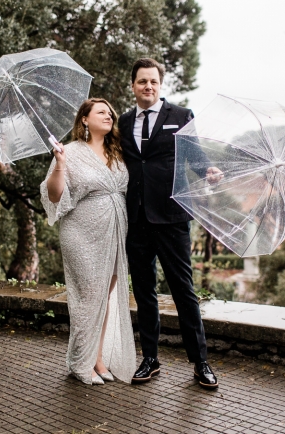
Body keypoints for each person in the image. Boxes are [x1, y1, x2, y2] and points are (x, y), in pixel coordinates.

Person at [119, 58, 222, 389]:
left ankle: (201, 362)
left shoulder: (180, 116)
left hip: (172, 218)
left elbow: (194, 157)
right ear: (133, 86)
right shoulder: (123, 122)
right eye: (141, 82)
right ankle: (150, 359)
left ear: (160, 85)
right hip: (135, 220)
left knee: (183, 291)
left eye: (153, 81)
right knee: (145, 292)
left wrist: (209, 171)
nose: (147, 86)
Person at [40, 98, 137, 385]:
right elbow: (55, 196)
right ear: (84, 119)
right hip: (81, 233)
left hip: (114, 233)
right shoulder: (68, 151)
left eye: (110, 113)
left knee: (103, 298)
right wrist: (59, 164)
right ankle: (80, 362)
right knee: (88, 297)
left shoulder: (118, 152)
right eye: (101, 112)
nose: (109, 116)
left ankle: (96, 359)